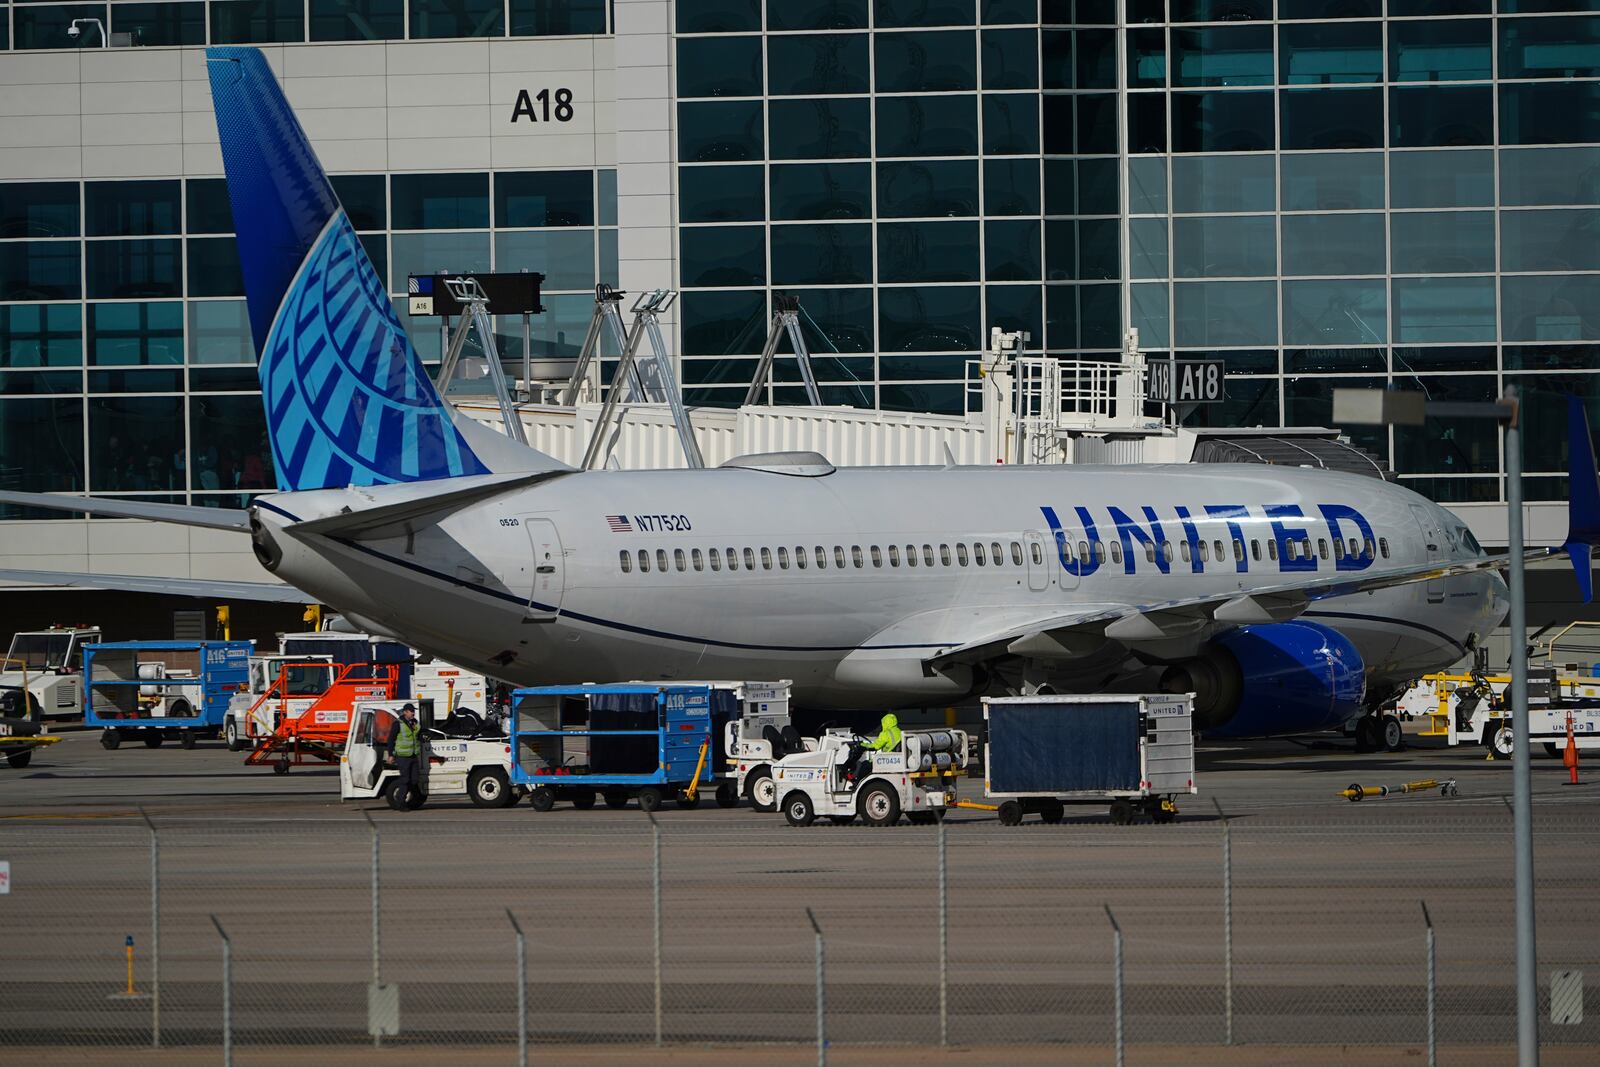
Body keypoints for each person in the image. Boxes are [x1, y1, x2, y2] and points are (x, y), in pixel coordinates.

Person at [849, 713, 903, 785]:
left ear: (886, 723)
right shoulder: (899, 731)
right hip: (897, 759)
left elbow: (875, 746)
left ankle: (857, 783)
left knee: (865, 765)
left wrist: (862, 745)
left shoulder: (886, 733)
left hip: (887, 759)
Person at [390, 703, 424, 809]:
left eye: (413, 711)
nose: (413, 713)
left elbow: (418, 736)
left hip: (413, 755)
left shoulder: (415, 723)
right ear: (405, 712)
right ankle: (401, 803)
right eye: (411, 711)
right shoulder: (398, 723)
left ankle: (414, 798)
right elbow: (391, 739)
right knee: (405, 780)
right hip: (402, 756)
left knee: (414, 779)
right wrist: (391, 755)